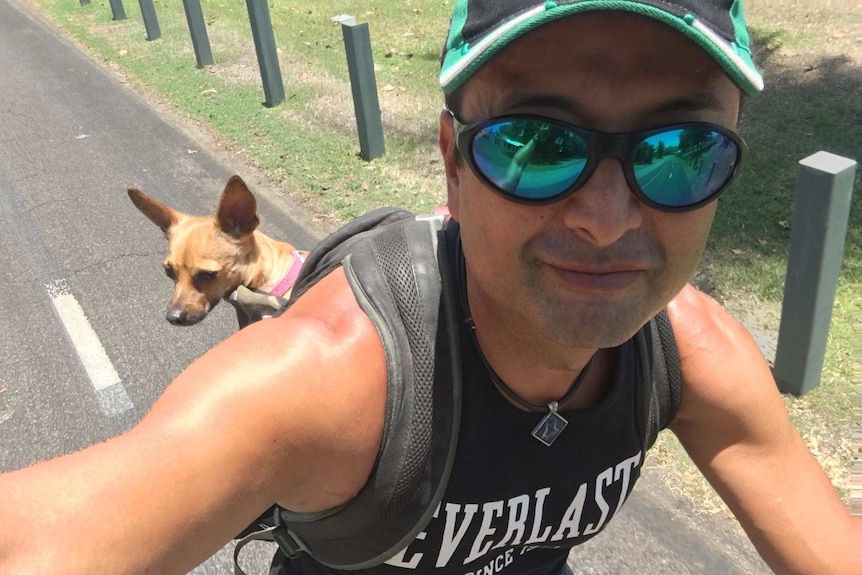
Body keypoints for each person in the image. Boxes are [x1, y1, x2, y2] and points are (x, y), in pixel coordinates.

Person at [1, 1, 859, 574]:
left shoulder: (690, 352)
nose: (606, 215)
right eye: (533, 144)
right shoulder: (338, 377)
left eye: (679, 149)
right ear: (452, 164)